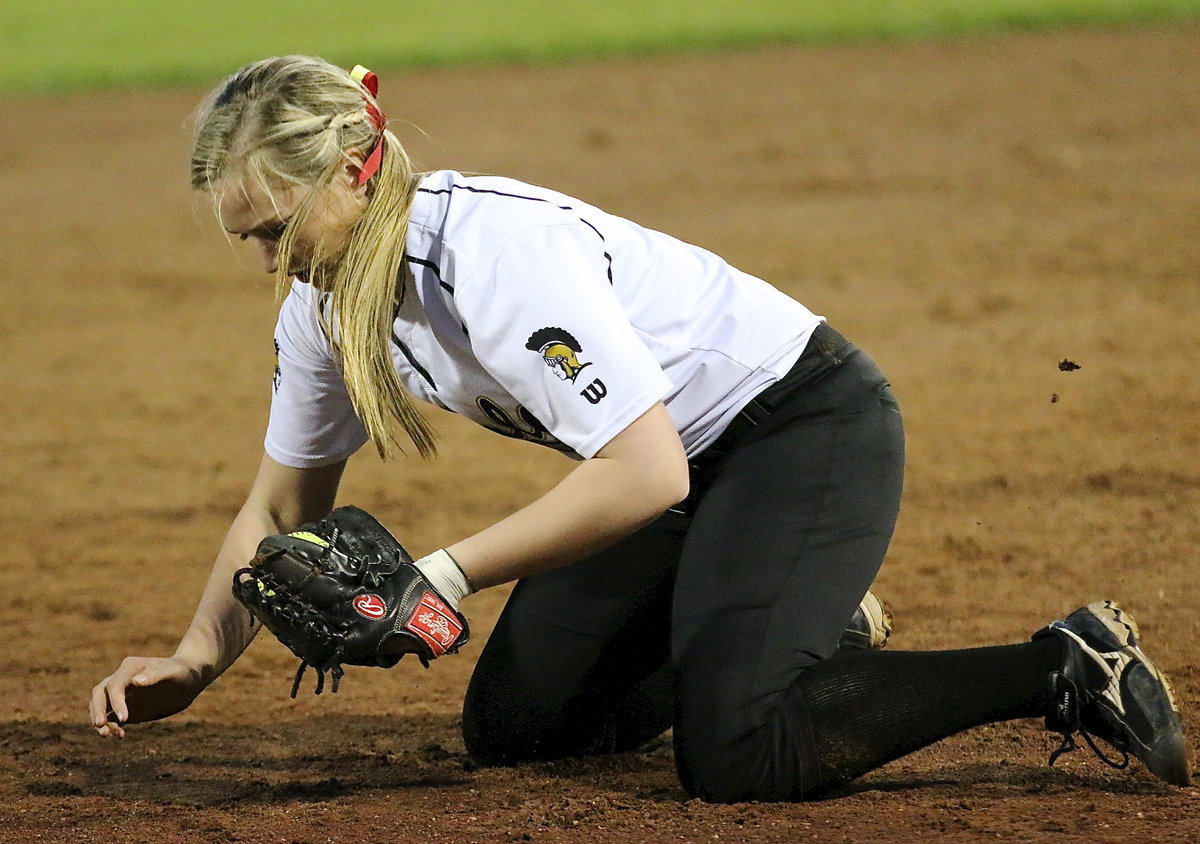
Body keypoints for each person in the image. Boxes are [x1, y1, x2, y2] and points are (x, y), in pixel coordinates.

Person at [89, 56, 1190, 801]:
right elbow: (283, 504)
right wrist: (194, 661)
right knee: (515, 727)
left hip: (796, 431)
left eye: (277, 228)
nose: (268, 261)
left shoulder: (491, 255)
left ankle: (1062, 663)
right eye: (249, 238)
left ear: (357, 168)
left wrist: (444, 571)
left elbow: (647, 470)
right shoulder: (324, 307)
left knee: (740, 749)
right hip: (670, 475)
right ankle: (802, 618)